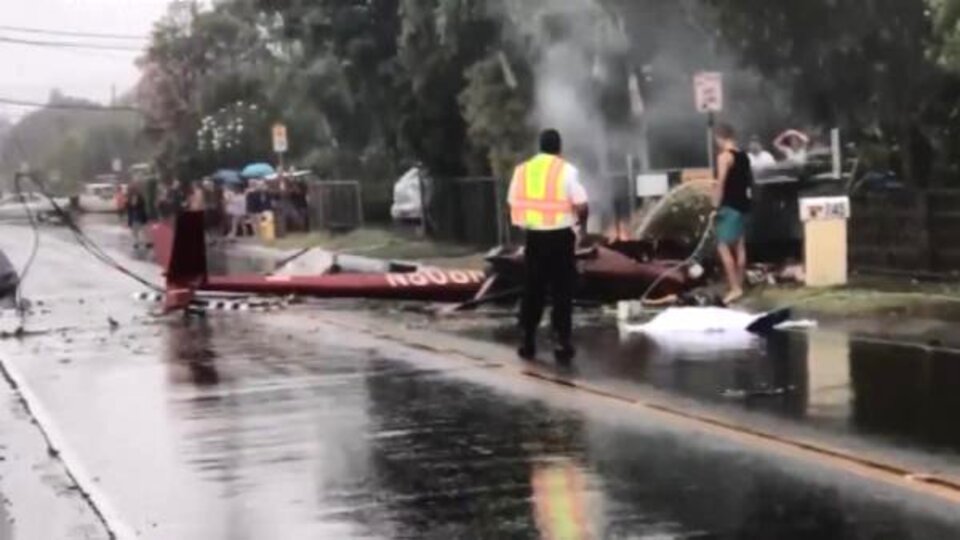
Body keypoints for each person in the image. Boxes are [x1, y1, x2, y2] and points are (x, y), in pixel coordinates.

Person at [508, 129, 589, 364]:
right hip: (561, 238)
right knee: (562, 291)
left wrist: (523, 228)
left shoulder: (522, 171)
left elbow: (511, 203)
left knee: (533, 288)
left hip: (534, 237)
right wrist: (581, 228)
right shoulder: (567, 170)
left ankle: (527, 340)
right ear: (559, 147)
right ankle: (561, 341)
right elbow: (581, 204)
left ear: (540, 147)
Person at [712, 123, 753, 305]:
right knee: (740, 246)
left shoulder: (724, 157)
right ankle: (740, 285)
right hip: (743, 205)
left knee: (722, 246)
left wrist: (715, 205)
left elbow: (721, 183)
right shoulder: (744, 156)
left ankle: (735, 287)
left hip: (729, 206)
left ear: (720, 138)